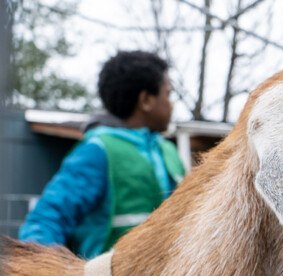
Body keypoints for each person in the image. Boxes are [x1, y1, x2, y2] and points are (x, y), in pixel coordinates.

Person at [19, 50, 184, 258]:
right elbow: (47, 218)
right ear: (146, 101)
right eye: (167, 94)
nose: (171, 104)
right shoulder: (98, 151)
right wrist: (39, 273)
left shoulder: (167, 151)